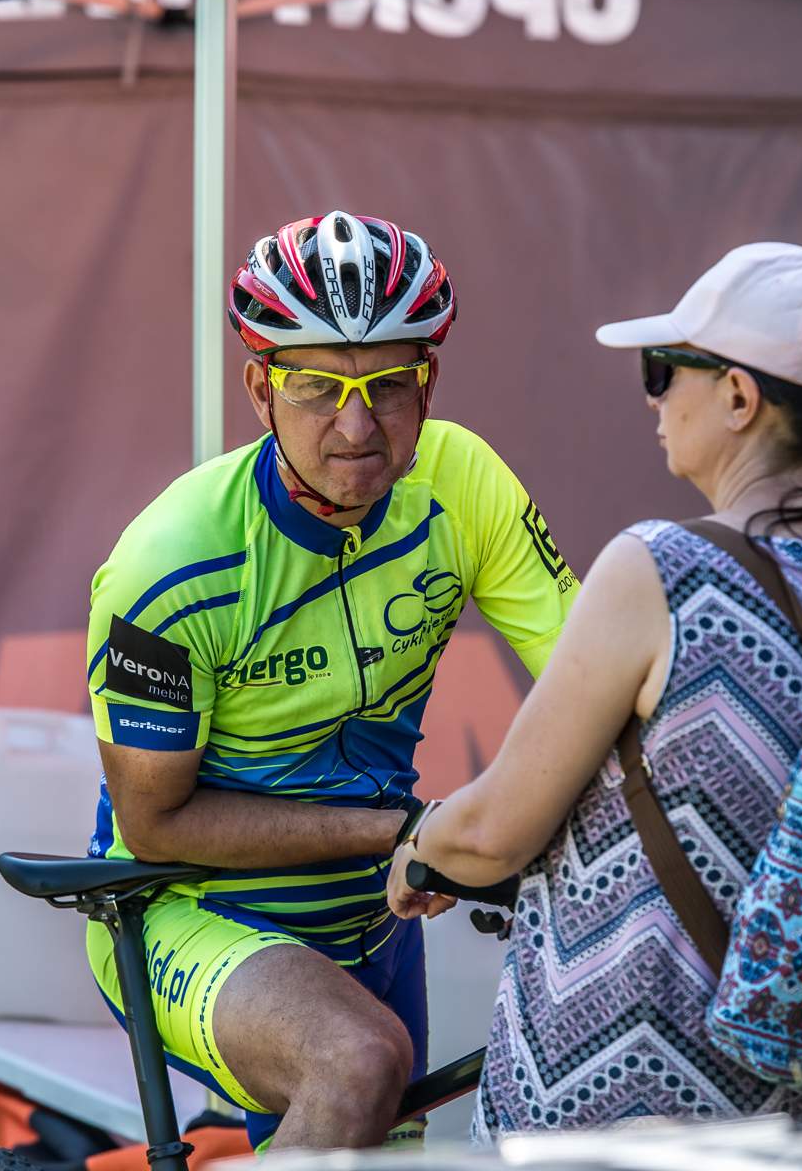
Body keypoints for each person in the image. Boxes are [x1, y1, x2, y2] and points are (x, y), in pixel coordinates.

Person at [384, 243, 802, 1138]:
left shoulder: (663, 571)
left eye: (664, 371)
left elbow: (494, 831)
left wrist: (419, 846)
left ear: (739, 397)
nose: (655, 398)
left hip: (628, 1118)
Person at [83, 211, 580, 1150]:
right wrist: (407, 829)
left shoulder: (463, 483)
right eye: (317, 388)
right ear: (260, 389)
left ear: (427, 385)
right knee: (356, 1061)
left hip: (374, 912)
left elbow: (590, 686)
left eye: (388, 387)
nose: (357, 427)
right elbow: (155, 823)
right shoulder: (170, 564)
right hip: (190, 908)